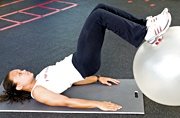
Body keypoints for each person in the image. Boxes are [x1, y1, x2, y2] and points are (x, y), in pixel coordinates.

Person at [0, 4, 171, 111]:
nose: (22, 70)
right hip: (82, 63)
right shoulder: (38, 92)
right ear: (20, 86)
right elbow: (65, 102)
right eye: (19, 74)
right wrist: (98, 103)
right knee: (98, 17)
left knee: (100, 8)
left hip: (81, 62)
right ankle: (144, 34)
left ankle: (144, 25)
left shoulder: (39, 78)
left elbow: (71, 82)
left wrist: (97, 78)